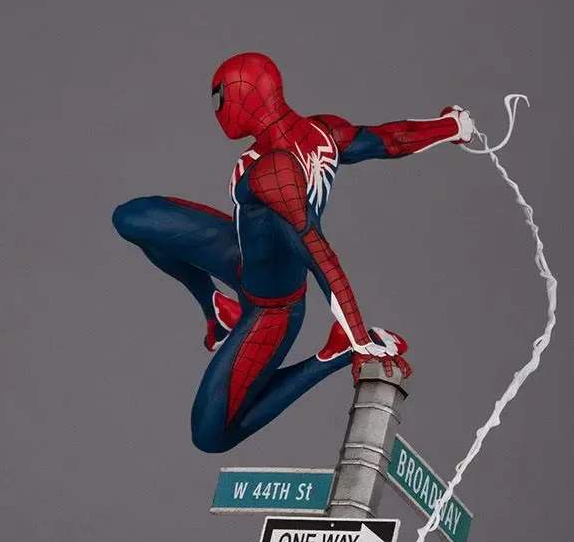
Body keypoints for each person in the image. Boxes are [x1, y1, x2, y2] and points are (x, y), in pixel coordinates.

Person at [113, 52, 474, 453]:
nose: (217, 111)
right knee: (132, 218)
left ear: (244, 98)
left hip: (272, 306)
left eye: (220, 99)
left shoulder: (275, 172)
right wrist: (451, 126)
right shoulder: (322, 131)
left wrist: (360, 341)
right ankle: (215, 310)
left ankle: (331, 353)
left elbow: (319, 254)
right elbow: (390, 139)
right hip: (240, 254)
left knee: (209, 435)